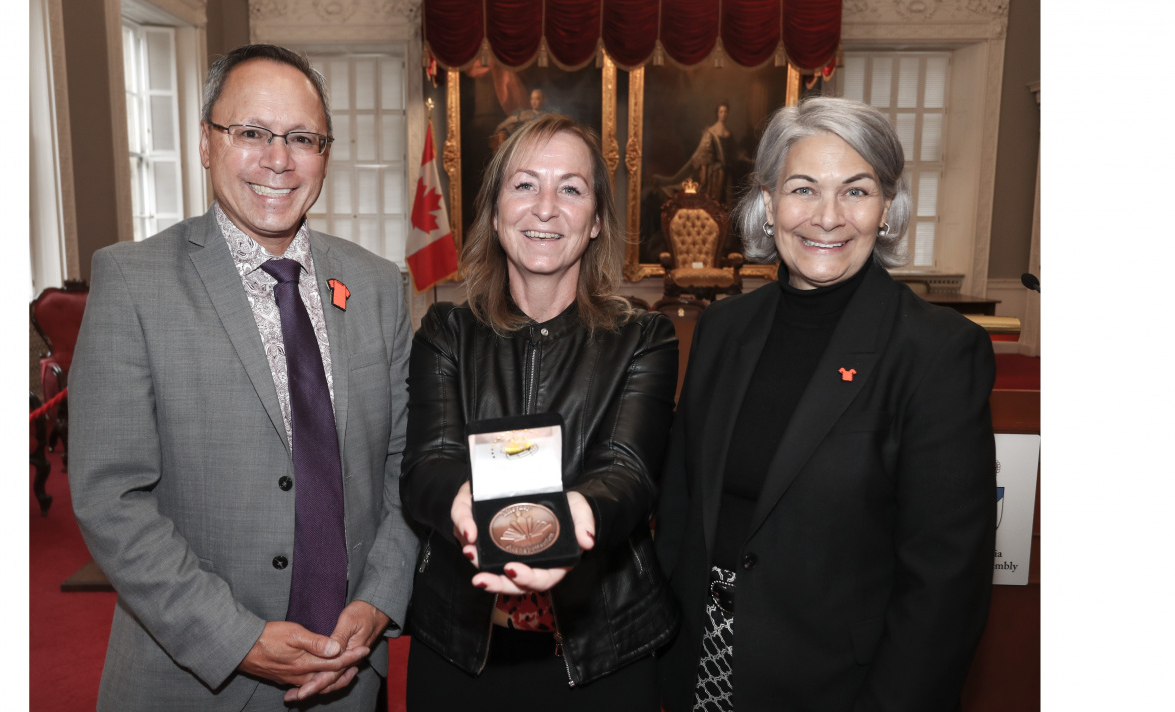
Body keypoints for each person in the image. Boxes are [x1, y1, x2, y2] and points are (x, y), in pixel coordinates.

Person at [69, 44, 417, 711]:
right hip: (196, 681)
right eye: (250, 132)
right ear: (205, 142)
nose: (278, 159)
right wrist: (238, 639)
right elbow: (112, 499)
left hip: (351, 674)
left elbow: (405, 467)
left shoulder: (376, 285)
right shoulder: (132, 282)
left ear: (326, 152)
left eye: (302, 138)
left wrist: (377, 601)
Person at [654, 96, 996, 711]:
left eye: (856, 191)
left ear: (888, 208)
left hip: (836, 687)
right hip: (697, 664)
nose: (827, 217)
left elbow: (944, 588)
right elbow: (679, 509)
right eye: (804, 189)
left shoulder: (938, 352)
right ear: (768, 201)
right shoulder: (723, 328)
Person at [400, 114, 681, 711]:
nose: (546, 208)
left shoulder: (645, 336)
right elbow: (428, 463)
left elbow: (627, 471)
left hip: (602, 653)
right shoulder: (445, 331)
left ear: (597, 219)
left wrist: (567, 527)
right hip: (460, 651)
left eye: (571, 189)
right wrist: (466, 511)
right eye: (524, 185)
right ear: (496, 212)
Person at [654, 102, 747, 206]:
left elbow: (734, 152)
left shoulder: (729, 133)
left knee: (726, 204)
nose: (723, 114)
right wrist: (704, 173)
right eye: (721, 112)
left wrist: (746, 159)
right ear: (717, 113)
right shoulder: (711, 132)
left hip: (727, 174)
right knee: (713, 204)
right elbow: (704, 155)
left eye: (725, 112)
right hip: (714, 175)